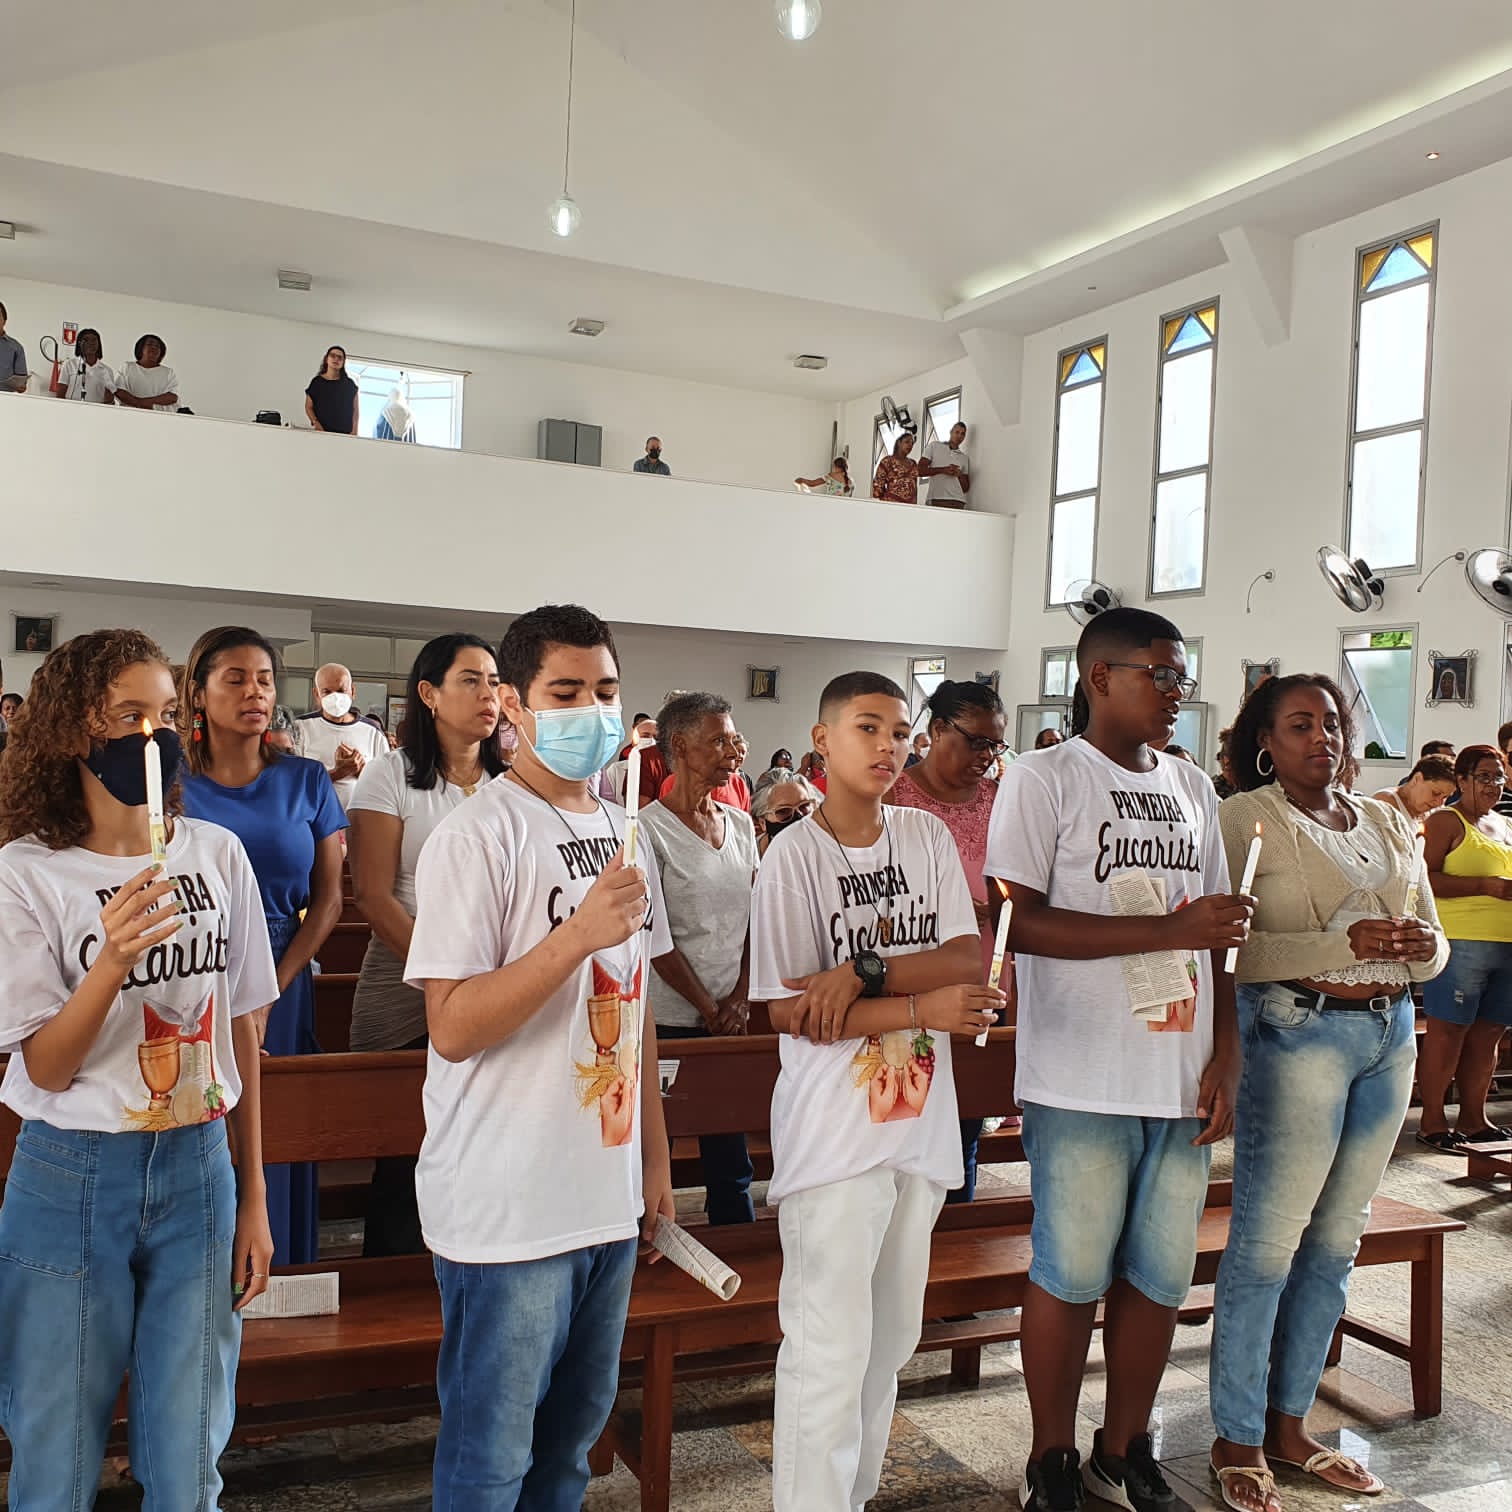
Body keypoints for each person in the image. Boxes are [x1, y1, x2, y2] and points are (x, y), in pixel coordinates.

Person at [404, 603, 675, 1509]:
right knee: (490, 1460)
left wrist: (654, 1164)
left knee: (570, 1451)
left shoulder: (624, 829)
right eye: (566, 692)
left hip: (603, 1194)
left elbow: (634, 1007)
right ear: (515, 704)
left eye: (605, 690)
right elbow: (452, 1025)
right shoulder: (478, 836)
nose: (591, 710)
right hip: (508, 1204)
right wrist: (575, 936)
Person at [0, 628, 279, 1508]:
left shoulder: (216, 854)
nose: (152, 737)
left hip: (199, 1164)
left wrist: (253, 1194)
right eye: (128, 717)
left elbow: (242, 1030)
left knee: (192, 1445)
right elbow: (47, 1068)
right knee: (56, 1444)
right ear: (73, 732)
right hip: (74, 1170)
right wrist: (111, 960)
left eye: (164, 716)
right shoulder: (26, 872)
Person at [985, 606, 1247, 1512]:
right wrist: (1168, 929)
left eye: (1182, 678)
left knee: (1159, 1278)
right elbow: (1016, 923)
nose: (1177, 693)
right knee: (1070, 1273)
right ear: (1101, 677)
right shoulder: (1044, 777)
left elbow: (1220, 937)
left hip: (1179, 1071)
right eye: (1160, 674)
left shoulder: (1191, 786)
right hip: (1081, 1074)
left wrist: (1227, 1053)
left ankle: (1123, 1448)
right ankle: (1051, 1457)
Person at [750, 670, 1002, 1512]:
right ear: (823, 740)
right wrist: (920, 1006)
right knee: (828, 1347)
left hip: (917, 1126)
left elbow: (964, 956)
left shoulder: (924, 837)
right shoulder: (795, 855)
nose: (889, 746)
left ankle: (850, 1499)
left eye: (900, 731)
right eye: (868, 728)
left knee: (890, 1341)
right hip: (835, 1134)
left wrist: (862, 972)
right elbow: (791, 1008)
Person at [1209, 675, 1446, 1510]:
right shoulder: (1243, 817)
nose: (1323, 739)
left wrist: (1419, 945)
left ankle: (1290, 1425)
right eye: (1300, 725)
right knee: (1268, 1244)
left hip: (1390, 1035)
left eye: (1333, 724)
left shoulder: (1384, 817)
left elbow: (1435, 944)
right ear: (1265, 741)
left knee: (1337, 1241)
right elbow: (1232, 952)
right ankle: (1237, 1435)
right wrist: (1342, 941)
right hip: (1297, 1033)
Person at [180, 626, 347, 1265]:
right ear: (199, 693)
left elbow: (328, 900)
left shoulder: (306, 780)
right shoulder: (169, 784)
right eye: (236, 679)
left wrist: (269, 988)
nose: (255, 692)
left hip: (283, 969)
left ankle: (281, 1271)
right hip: (193, 971)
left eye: (265, 680)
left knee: (274, 1127)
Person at [348, 633, 505, 1255]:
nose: (488, 694)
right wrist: (444, 974)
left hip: (493, 981)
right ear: (429, 694)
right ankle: (395, 1280)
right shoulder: (390, 775)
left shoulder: (511, 781)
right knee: (403, 1156)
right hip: (402, 976)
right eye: (470, 680)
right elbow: (373, 895)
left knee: (484, 1143)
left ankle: (474, 1261)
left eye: (494, 681)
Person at [888, 678, 1013, 1201]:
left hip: (989, 975)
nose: (987, 755)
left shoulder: (1000, 799)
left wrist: (1004, 907)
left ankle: (956, 1224)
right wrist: (955, 912)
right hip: (915, 980)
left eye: (995, 744)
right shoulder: (895, 796)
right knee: (907, 1118)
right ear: (938, 730)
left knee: (966, 1119)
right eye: (976, 741)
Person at [643, 692, 760, 1225]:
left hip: (731, 1016)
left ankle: (736, 1247)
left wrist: (739, 998)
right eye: (718, 740)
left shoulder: (740, 825)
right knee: (657, 1151)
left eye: (733, 739)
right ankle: (652, 1245)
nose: (732, 751)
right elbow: (656, 938)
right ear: (681, 747)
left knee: (729, 1153)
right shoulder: (648, 829)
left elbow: (755, 918)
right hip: (671, 1019)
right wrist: (708, 1009)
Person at [1418, 743, 1512, 1150]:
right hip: (1461, 941)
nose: (1493, 785)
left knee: (1489, 1034)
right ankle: (1433, 1120)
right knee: (1448, 1031)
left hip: (1506, 943)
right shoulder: (1446, 820)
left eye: (1499, 777)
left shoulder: (1505, 825)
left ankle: (1475, 1118)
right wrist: (1484, 886)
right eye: (1483, 777)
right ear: (1461, 779)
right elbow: (1424, 879)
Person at [296, 662, 390, 809]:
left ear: (352, 691)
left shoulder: (372, 732)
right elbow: (292, 786)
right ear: (317, 694)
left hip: (359, 819)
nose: (335, 698)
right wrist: (338, 772)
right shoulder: (301, 728)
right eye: (327, 692)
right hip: (314, 819)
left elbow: (387, 787)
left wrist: (362, 772)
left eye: (341, 691)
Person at [752, 774, 822, 857]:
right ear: (762, 822)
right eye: (784, 811)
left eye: (804, 806)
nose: (799, 815)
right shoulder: (749, 857)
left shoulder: (826, 848)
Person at [1373, 753, 1456, 821]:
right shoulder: (1385, 802)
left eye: (1445, 797)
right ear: (1417, 778)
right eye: (1435, 793)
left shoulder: (1435, 811)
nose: (1439, 803)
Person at [113, 333, 180, 412]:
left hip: (158, 415)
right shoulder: (127, 367)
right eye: (150, 344)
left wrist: (141, 403)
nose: (154, 348)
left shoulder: (168, 372)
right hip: (128, 414)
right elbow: (118, 391)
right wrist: (138, 403)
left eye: (157, 346)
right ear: (141, 348)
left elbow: (172, 397)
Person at [304, 345, 359, 435]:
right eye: (333, 355)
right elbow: (308, 407)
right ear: (326, 359)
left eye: (340, 357)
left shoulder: (349, 384)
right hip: (321, 432)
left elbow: (355, 410)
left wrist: (354, 431)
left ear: (343, 362)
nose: (336, 359)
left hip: (345, 434)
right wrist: (315, 423)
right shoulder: (317, 382)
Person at [52, 328, 116, 403]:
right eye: (86, 340)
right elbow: (60, 394)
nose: (91, 343)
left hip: (95, 409)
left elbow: (109, 398)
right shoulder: (69, 364)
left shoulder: (107, 370)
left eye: (94, 340)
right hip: (71, 407)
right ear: (80, 343)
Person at [918, 420, 971, 509]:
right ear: (951, 432)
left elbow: (965, 488)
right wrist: (943, 470)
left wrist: (959, 475)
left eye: (963, 434)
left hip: (959, 502)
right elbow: (919, 470)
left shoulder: (964, 458)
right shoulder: (934, 446)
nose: (959, 436)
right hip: (937, 499)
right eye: (957, 432)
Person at [872, 432, 919, 504]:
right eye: (907, 442)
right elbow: (878, 484)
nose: (910, 445)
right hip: (891, 503)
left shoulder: (913, 463)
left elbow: (914, 487)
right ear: (899, 443)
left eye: (912, 443)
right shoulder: (888, 461)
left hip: (909, 505)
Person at [0, 300, 28, 393]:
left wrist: (21, 386)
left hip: (5, 397)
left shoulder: (16, 347)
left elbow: (21, 382)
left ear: (4, 321)